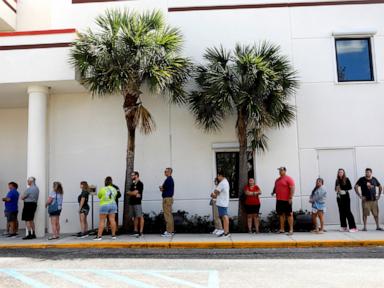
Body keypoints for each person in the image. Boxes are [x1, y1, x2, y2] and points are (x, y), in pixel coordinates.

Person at [272, 167, 295, 235]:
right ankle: (282, 229)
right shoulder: (277, 179)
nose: (280, 171)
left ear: (285, 171)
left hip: (287, 200)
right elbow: (275, 187)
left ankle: (291, 230)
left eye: (281, 170)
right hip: (279, 200)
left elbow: (292, 188)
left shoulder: (289, 178)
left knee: (289, 214)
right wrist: (273, 191)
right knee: (281, 215)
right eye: (279, 170)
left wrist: (290, 198)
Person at [211, 171, 230, 238]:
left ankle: (226, 233)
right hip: (223, 202)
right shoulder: (225, 182)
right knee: (224, 217)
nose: (217, 177)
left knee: (224, 217)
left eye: (218, 176)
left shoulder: (222, 183)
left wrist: (213, 194)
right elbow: (218, 192)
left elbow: (215, 192)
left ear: (221, 176)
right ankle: (226, 232)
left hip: (222, 203)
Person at [127, 171, 144, 238]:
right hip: (132, 203)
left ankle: (141, 232)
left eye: (132, 175)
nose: (131, 176)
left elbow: (134, 192)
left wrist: (132, 193)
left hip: (137, 203)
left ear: (136, 175)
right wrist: (132, 193)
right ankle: (135, 231)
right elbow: (128, 192)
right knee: (135, 217)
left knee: (140, 216)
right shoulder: (132, 184)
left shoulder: (140, 183)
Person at [160, 167, 175, 237]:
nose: (164, 172)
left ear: (169, 172)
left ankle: (169, 232)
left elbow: (163, 188)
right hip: (168, 198)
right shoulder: (169, 179)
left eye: (165, 171)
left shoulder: (168, 180)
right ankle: (170, 231)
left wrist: (161, 188)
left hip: (167, 199)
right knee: (169, 215)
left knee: (167, 215)